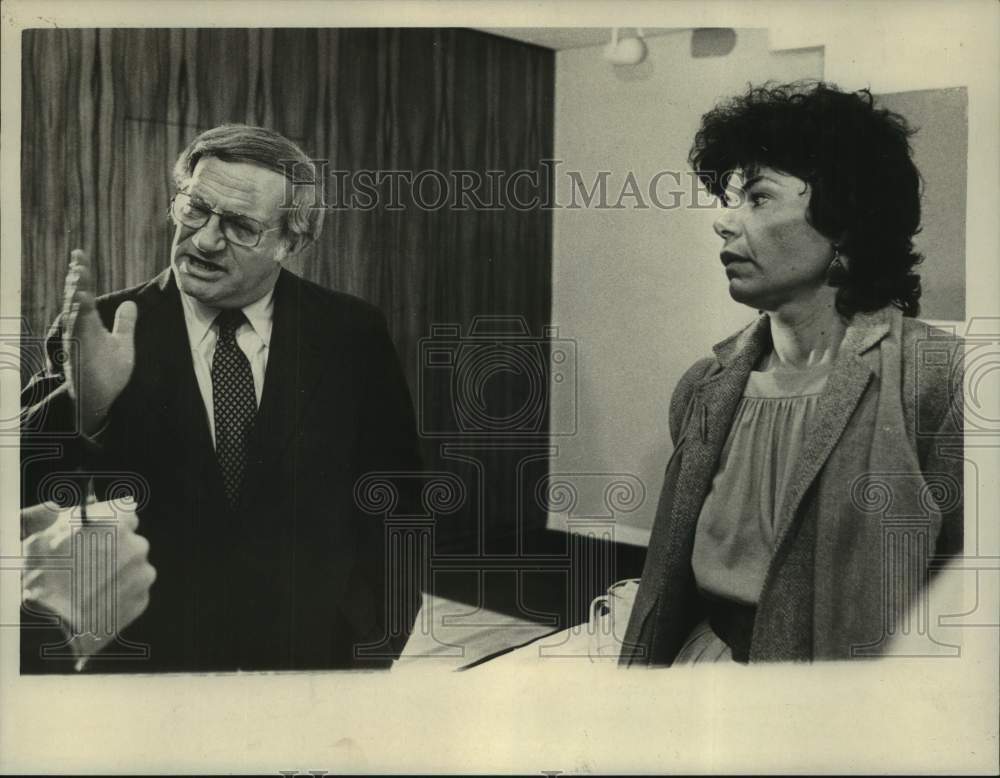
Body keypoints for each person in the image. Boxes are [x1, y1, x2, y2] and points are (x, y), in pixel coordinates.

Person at [20, 124, 422, 672]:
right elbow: (25, 502)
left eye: (238, 225)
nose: (206, 240)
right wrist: (84, 407)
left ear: (290, 242)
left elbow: (398, 506)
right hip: (146, 666)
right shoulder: (104, 327)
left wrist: (372, 644)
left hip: (308, 657)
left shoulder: (353, 333)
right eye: (195, 210)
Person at [620, 82, 964, 665]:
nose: (723, 223)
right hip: (706, 672)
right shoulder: (705, 385)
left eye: (758, 197)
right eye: (731, 198)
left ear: (845, 223)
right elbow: (670, 582)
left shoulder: (935, 380)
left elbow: (965, 592)